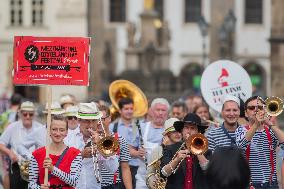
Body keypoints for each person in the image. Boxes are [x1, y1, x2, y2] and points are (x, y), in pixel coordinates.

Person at [236, 96, 284, 188]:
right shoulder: (241, 130)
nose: (256, 110)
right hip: (250, 184)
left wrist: (270, 123)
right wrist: (256, 124)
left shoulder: (270, 130)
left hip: (271, 184)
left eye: (260, 108)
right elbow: (241, 148)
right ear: (246, 113)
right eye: (251, 108)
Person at [28, 114, 82, 189]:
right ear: (49, 131)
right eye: (54, 129)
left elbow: (74, 182)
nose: (58, 133)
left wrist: (53, 169)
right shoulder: (37, 154)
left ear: (66, 132)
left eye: (62, 130)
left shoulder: (75, 154)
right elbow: (31, 184)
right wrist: (39, 188)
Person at [160, 113, 210, 189]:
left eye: (192, 128)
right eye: (186, 128)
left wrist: (197, 150)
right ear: (182, 131)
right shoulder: (170, 148)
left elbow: (209, 171)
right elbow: (164, 173)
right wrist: (176, 160)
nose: (189, 131)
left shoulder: (206, 151)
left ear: (198, 132)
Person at [0, 101, 43, 189]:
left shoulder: (40, 128)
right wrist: (10, 153)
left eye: (30, 114)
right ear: (20, 114)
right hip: (17, 166)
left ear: (34, 115)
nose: (27, 117)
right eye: (25, 114)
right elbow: (1, 144)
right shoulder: (12, 127)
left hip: (35, 167)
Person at [76, 102, 119, 189]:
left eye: (94, 121)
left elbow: (113, 168)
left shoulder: (101, 140)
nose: (91, 125)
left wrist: (101, 146)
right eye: (87, 121)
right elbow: (61, 166)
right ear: (79, 120)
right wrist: (81, 155)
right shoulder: (68, 138)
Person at [133, 98, 170, 189]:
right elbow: (129, 149)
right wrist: (137, 153)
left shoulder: (171, 131)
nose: (160, 113)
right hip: (142, 177)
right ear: (151, 111)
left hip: (163, 178)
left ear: (167, 113)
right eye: (158, 110)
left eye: (163, 110)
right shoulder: (141, 127)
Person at [109, 97, 141, 188]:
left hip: (135, 167)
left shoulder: (139, 126)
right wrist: (132, 151)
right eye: (126, 109)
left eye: (131, 109)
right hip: (117, 168)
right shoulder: (112, 127)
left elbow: (141, 147)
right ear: (120, 110)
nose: (129, 111)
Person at [98, 105, 132, 189]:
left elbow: (125, 168)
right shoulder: (88, 139)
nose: (99, 122)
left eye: (102, 119)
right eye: (96, 119)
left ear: (109, 119)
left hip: (112, 185)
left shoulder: (119, 139)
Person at [146, 117, 181, 189]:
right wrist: (155, 185)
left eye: (179, 131)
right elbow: (150, 173)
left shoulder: (185, 148)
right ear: (167, 134)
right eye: (174, 131)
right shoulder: (158, 150)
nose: (178, 134)